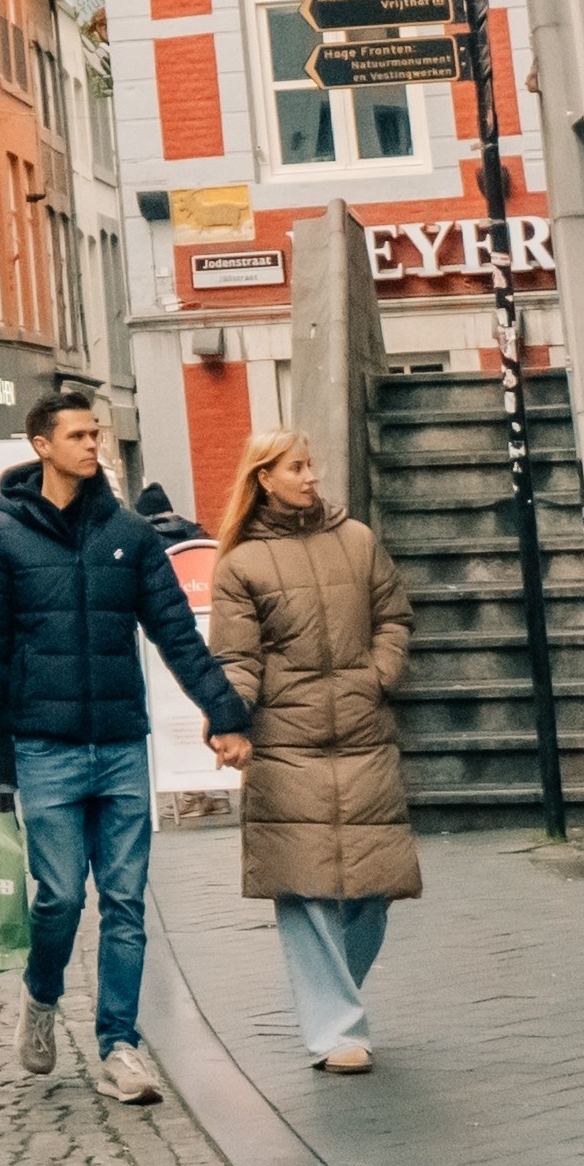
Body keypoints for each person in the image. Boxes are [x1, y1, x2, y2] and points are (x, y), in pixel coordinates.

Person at [0, 384, 254, 1104]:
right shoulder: (3, 539)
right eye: (78, 435)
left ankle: (119, 1046)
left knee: (125, 901)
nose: (93, 444)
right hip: (46, 747)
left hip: (123, 742)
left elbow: (176, 633)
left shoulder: (129, 533)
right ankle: (42, 996)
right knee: (61, 897)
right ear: (41, 446)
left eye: (95, 433)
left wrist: (224, 713)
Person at [210, 434, 421, 1073]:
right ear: (264, 478)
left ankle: (327, 996)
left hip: (362, 734)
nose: (311, 476)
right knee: (305, 890)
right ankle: (337, 1032)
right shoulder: (240, 565)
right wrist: (229, 722)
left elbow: (394, 617)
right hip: (286, 741)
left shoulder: (357, 540)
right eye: (296, 467)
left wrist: (379, 674)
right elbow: (236, 658)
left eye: (311, 465)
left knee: (373, 889)